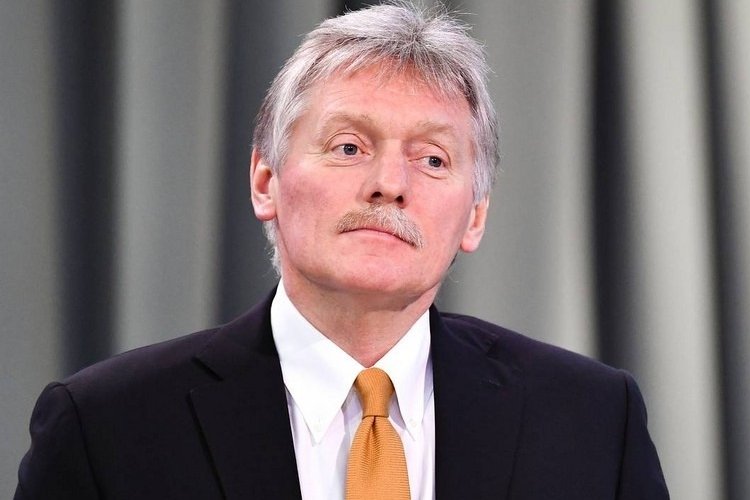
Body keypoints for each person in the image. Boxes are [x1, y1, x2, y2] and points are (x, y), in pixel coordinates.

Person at [15, 2, 668, 499]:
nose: (390, 183)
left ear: (475, 217)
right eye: (349, 146)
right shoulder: (105, 428)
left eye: (432, 158)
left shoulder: (591, 420)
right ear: (265, 180)